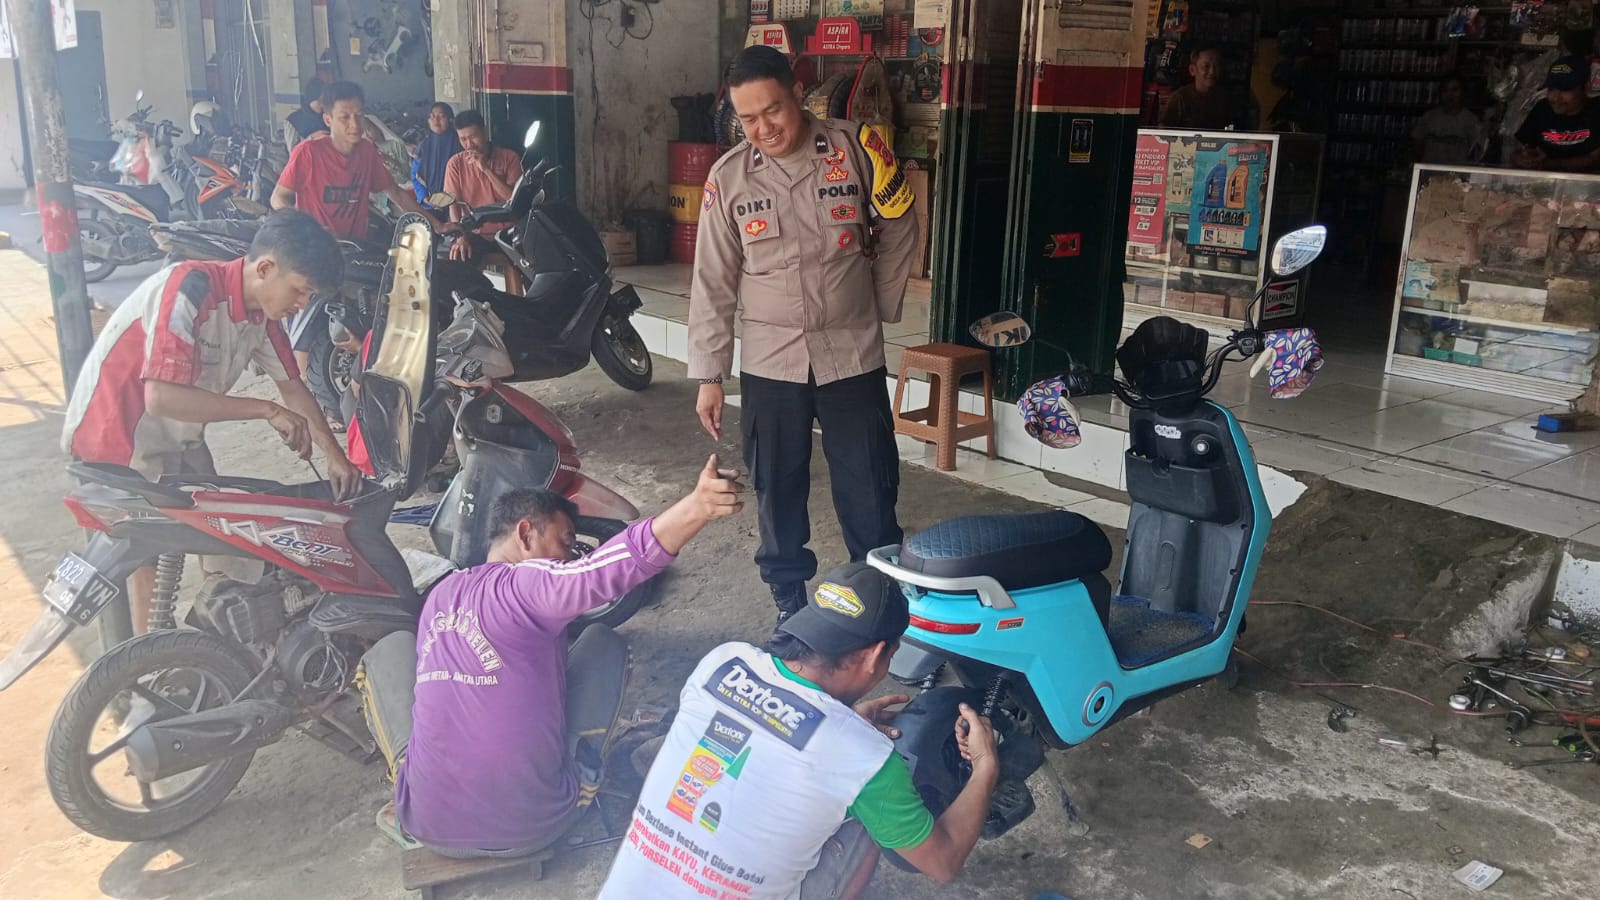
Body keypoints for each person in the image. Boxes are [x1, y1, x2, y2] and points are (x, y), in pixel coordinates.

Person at [356, 455, 744, 856]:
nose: (568, 558)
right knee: (602, 642)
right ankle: (578, 775)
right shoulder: (526, 583)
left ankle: (412, 784)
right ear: (526, 534)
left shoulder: (441, 595)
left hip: (428, 824)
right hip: (534, 824)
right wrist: (696, 507)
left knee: (391, 652)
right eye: (565, 544)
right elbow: (606, 569)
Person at [599, 562, 1001, 899]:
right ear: (876, 654)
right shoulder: (865, 760)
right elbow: (942, 862)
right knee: (869, 817)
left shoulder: (722, 661)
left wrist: (840, 727)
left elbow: (768, 735)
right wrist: (985, 765)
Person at [689, 46, 919, 624]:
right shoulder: (729, 178)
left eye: (772, 109)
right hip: (772, 362)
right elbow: (713, 280)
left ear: (797, 94)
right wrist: (710, 374)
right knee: (777, 488)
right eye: (748, 118)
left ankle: (878, 602)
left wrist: (876, 303)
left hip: (852, 354)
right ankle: (789, 604)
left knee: (870, 485)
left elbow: (899, 223)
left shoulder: (857, 149)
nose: (763, 127)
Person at [61, 210, 360, 634]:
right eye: (299, 291)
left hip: (178, 435)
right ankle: (150, 658)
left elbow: (293, 387)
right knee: (146, 555)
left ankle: (216, 643)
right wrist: (266, 409)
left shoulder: (262, 317)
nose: (301, 305)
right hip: (119, 436)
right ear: (265, 268)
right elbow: (161, 397)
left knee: (227, 532)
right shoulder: (192, 287)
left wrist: (335, 456)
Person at [270, 82, 454, 386]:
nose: (355, 124)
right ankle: (302, 391)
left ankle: (360, 389)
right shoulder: (308, 153)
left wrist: (436, 224)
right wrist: (306, 231)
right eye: (345, 117)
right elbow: (279, 198)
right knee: (306, 328)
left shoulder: (367, 153)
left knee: (366, 319)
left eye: (359, 115)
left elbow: (396, 192)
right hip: (313, 254)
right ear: (328, 119)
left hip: (353, 253)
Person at [443, 109, 525, 262]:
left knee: (524, 261)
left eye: (473, 137)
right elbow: (453, 205)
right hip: (474, 232)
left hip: (508, 230)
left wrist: (486, 169)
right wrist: (460, 237)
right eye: (463, 139)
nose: (469, 145)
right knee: (459, 256)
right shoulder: (455, 164)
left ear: (485, 132)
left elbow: (513, 200)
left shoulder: (509, 157)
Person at [1512, 55, 1600, 172]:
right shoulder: (1542, 109)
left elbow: (1595, 159)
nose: (1555, 98)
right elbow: (1518, 150)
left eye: (1565, 90)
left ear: (1586, 87)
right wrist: (1522, 158)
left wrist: (1551, 164)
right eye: (1551, 89)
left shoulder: (1596, 111)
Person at [1160, 45, 1251, 131]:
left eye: (1216, 66)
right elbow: (1164, 131)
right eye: (1206, 66)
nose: (1212, 72)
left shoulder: (1226, 98)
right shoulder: (1179, 98)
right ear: (1192, 70)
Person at [1412, 76, 1483, 164]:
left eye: (1454, 90)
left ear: (1462, 93)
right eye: (1445, 90)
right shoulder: (1428, 117)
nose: (1450, 95)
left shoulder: (1471, 120)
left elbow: (1477, 153)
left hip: (1457, 171)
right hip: (1429, 169)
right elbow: (1417, 144)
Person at [412, 102, 462, 214]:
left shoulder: (460, 144)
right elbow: (416, 176)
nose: (436, 120)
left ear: (450, 120)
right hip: (430, 206)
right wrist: (424, 197)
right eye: (432, 116)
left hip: (458, 204)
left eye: (441, 116)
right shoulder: (423, 147)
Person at [284, 82, 328, 152]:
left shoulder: (327, 116)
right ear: (311, 99)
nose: (322, 105)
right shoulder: (293, 120)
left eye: (324, 101)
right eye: (319, 101)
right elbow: (293, 151)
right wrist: (311, 138)